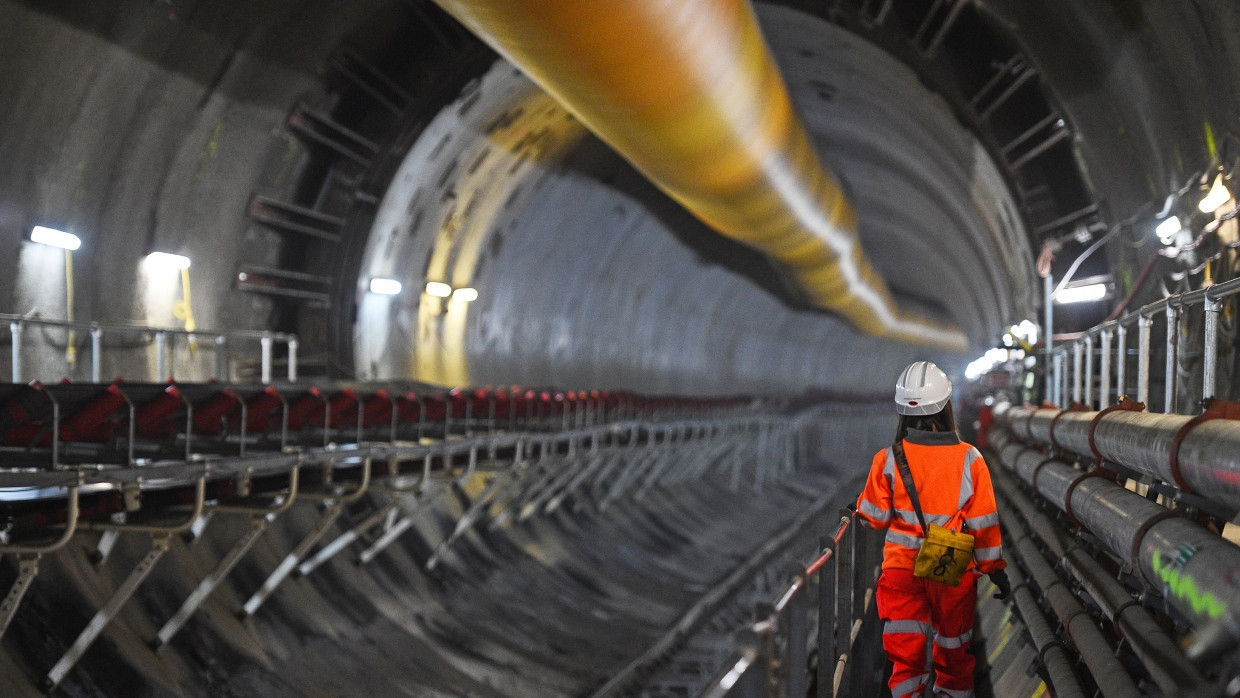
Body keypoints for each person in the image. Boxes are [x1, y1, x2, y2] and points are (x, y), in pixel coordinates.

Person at [854, 361, 1010, 698]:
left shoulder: (889, 459)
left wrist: (857, 508)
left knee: (905, 658)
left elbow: (873, 517)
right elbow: (983, 523)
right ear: (946, 404)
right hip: (948, 565)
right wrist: (993, 568)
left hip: (901, 569)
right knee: (953, 649)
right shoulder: (970, 458)